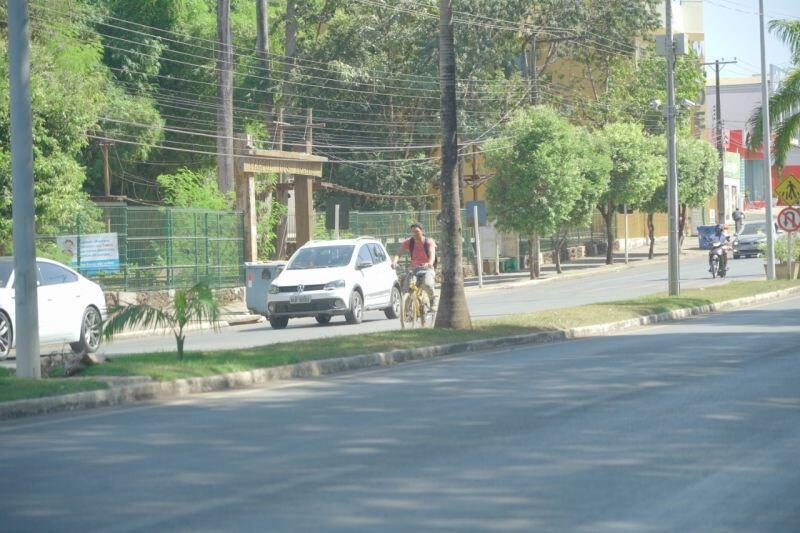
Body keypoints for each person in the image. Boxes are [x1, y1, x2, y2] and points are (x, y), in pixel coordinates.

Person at [392, 223, 437, 309]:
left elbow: (432, 254)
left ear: (422, 231)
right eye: (413, 232)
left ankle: (432, 300)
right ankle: (407, 310)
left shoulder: (428, 241)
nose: (415, 234)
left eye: (417, 231)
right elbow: (398, 253)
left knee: (427, 285)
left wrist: (430, 263)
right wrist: (394, 262)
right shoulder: (409, 242)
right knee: (406, 288)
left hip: (427, 269)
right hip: (414, 269)